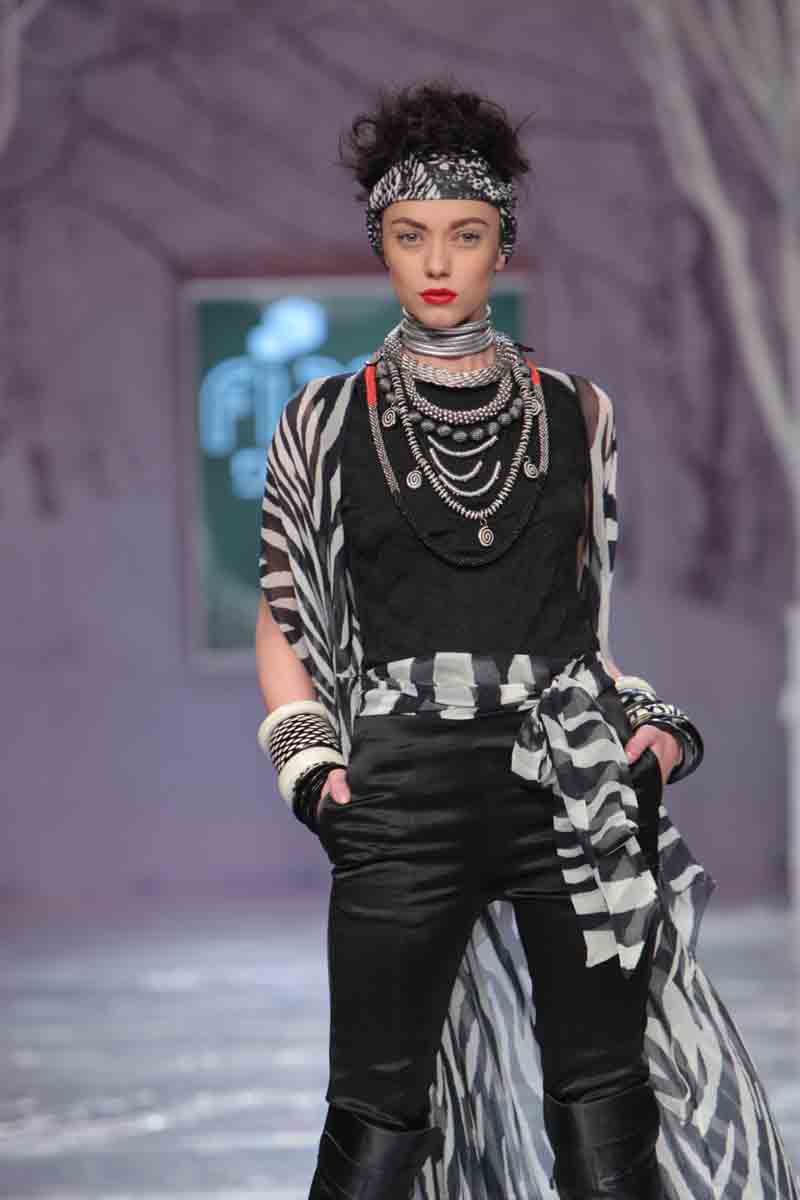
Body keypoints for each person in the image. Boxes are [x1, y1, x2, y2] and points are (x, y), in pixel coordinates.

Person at [255, 81, 798, 1200]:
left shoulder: (579, 413)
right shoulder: (322, 419)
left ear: (503, 244)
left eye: (465, 234)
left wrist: (649, 727)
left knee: (604, 1101)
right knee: (374, 1114)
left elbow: (582, 631)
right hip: (401, 786)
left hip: (570, 779)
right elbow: (285, 618)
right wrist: (309, 767)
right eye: (410, 235)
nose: (436, 261)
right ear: (379, 246)